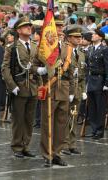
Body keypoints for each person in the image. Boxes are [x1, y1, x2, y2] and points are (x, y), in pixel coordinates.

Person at [39, 20, 75, 167]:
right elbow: (36, 65)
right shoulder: (44, 46)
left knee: (61, 123)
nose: (58, 29)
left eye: (60, 27)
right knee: (48, 123)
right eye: (56, 26)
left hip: (64, 88)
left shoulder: (68, 48)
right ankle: (47, 154)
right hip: (50, 88)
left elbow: (71, 70)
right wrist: (39, 71)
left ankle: (57, 153)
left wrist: (72, 90)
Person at [2, 18, 39, 158]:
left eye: (29, 26)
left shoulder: (35, 46)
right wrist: (12, 86)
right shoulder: (12, 47)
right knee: (18, 119)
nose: (29, 28)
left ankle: (26, 145)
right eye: (25, 26)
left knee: (29, 119)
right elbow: (5, 68)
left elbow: (37, 64)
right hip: (19, 86)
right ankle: (17, 146)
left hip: (33, 86)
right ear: (18, 30)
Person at [62, 25, 85, 155]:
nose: (79, 39)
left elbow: (83, 74)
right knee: (64, 118)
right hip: (66, 89)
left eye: (80, 37)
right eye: (76, 37)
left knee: (74, 117)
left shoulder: (81, 54)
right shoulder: (64, 51)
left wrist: (83, 90)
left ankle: (72, 144)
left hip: (77, 90)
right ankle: (64, 144)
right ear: (69, 37)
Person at [85, 29, 108, 139]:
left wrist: (107, 83)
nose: (93, 35)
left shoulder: (104, 49)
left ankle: (99, 130)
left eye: (95, 34)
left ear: (100, 37)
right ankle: (94, 128)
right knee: (92, 106)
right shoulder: (91, 48)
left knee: (100, 106)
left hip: (100, 79)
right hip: (91, 79)